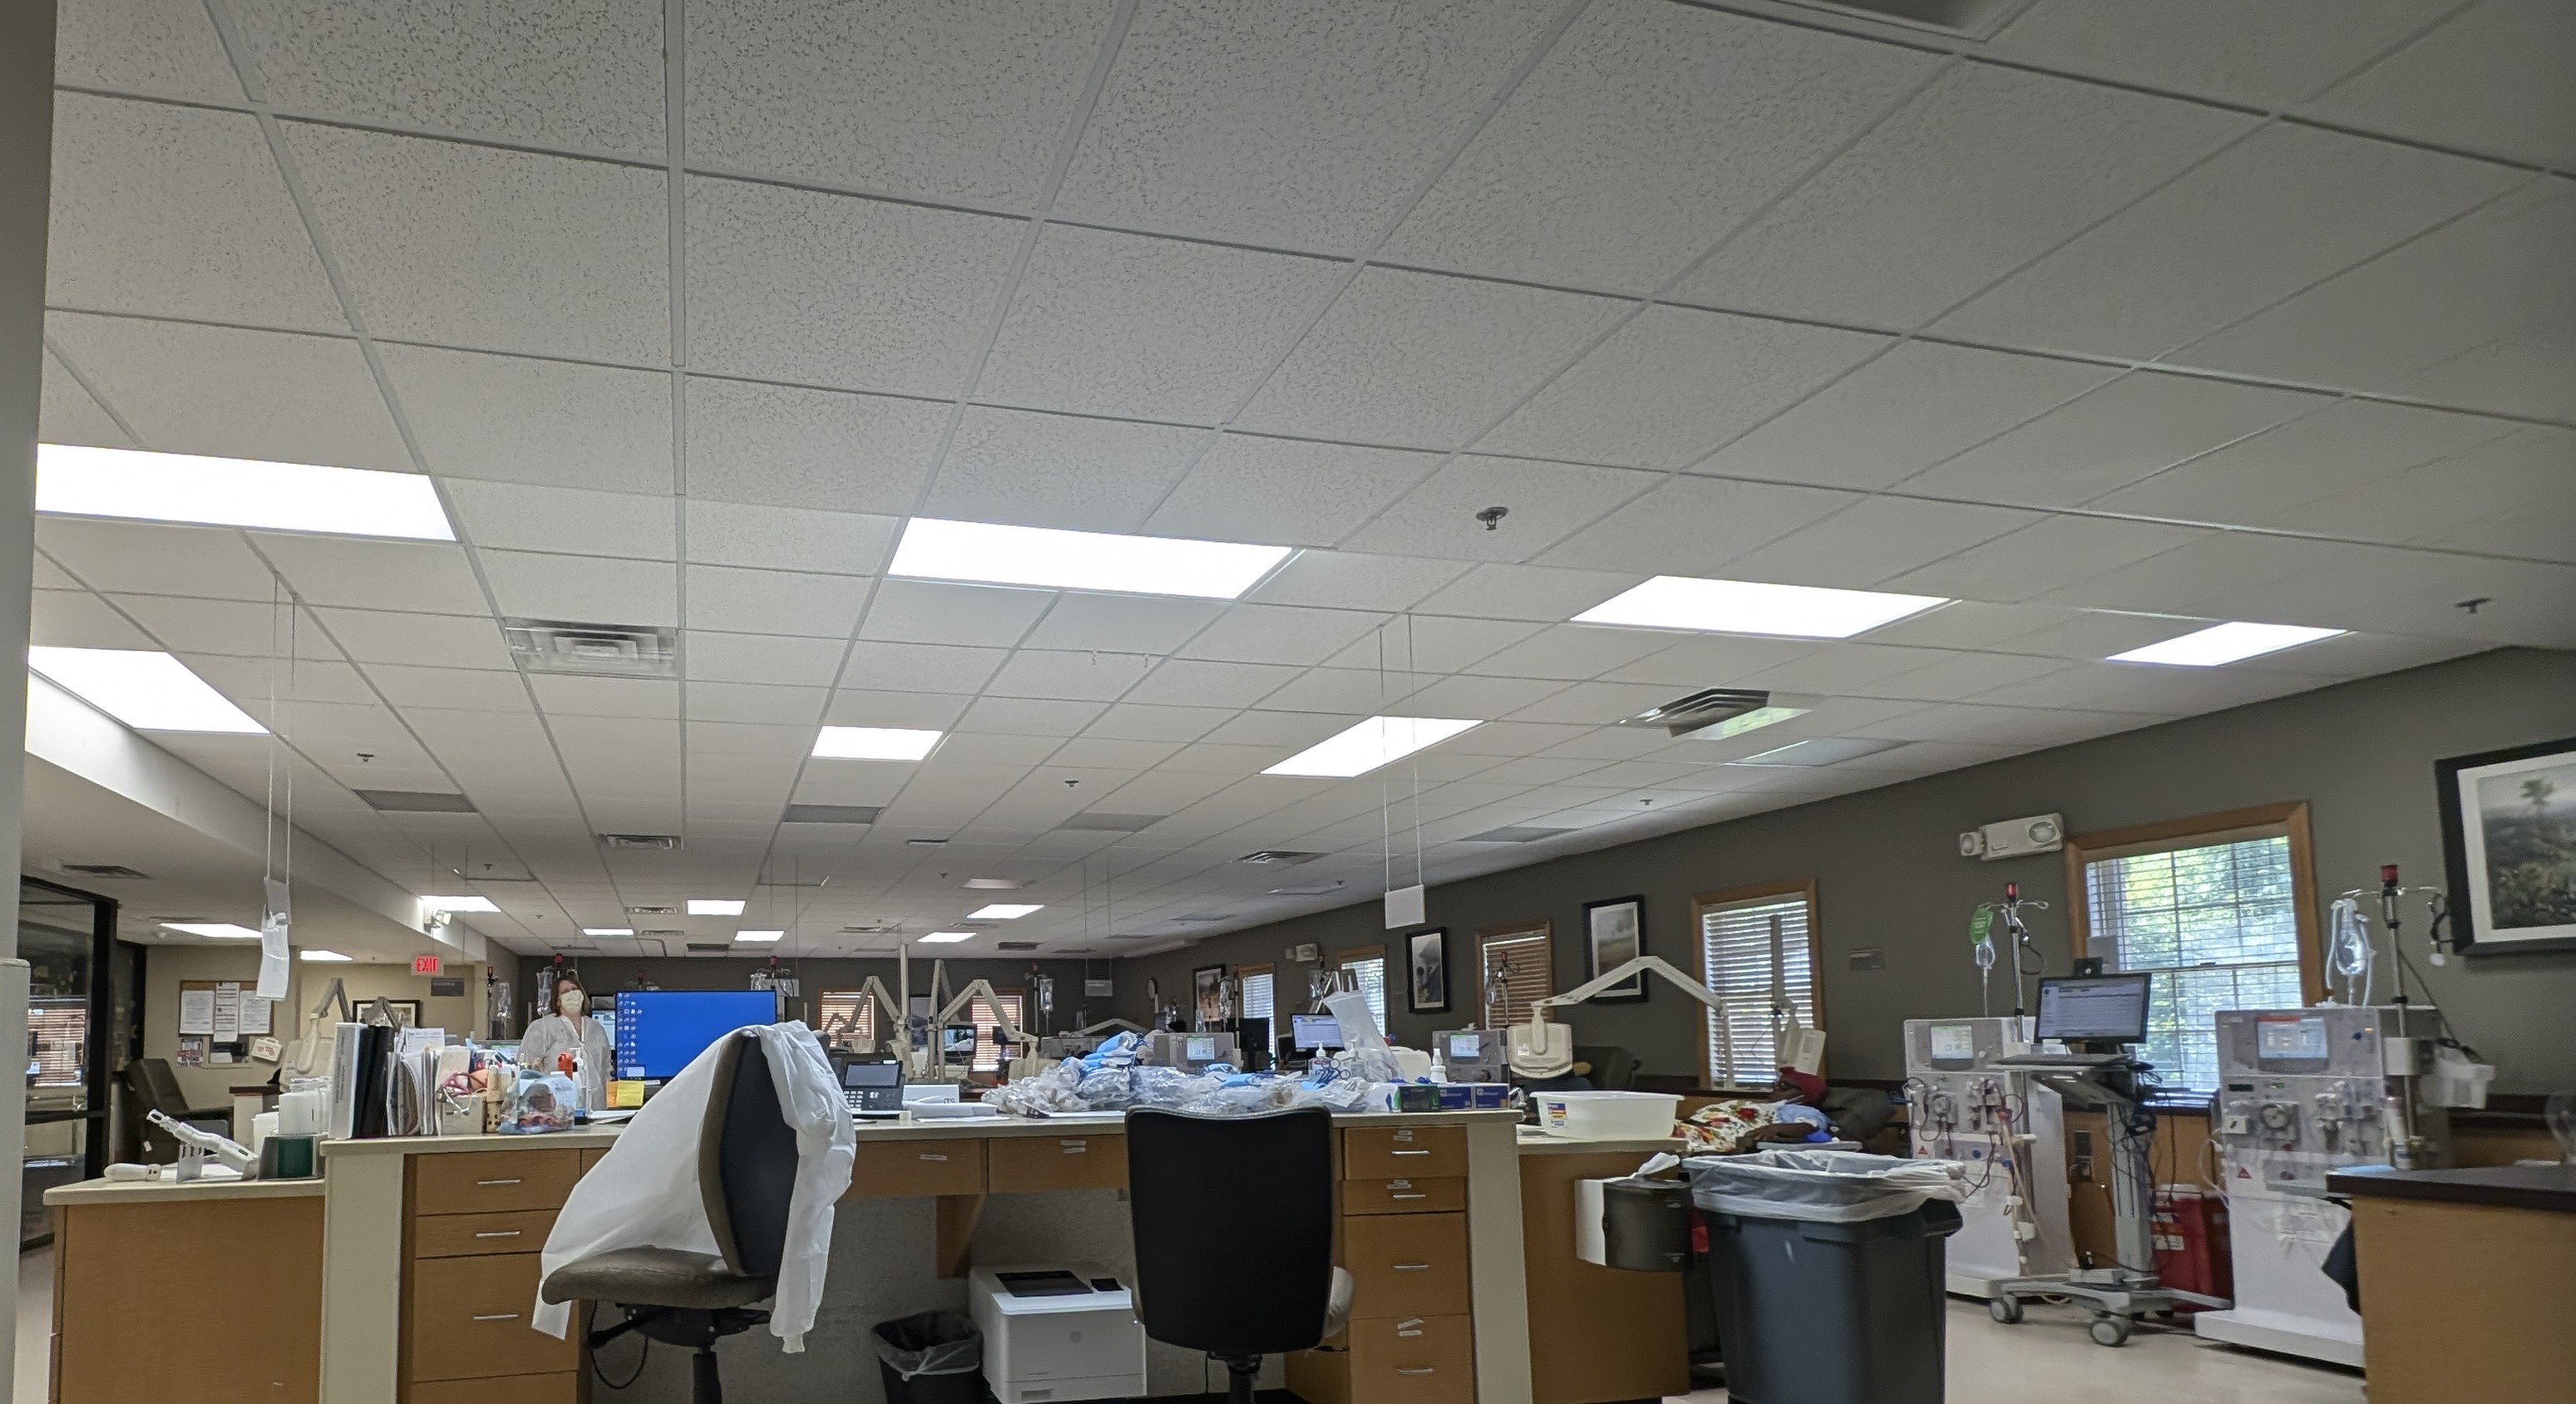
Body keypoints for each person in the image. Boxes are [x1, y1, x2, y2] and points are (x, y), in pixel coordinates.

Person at [518, 973, 611, 1112]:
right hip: (555, 1109)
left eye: (575, 989)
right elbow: (526, 1069)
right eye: (566, 991)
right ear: (558, 1000)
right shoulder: (542, 1027)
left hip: (597, 1108)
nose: (572, 994)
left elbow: (606, 1070)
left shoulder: (597, 1029)